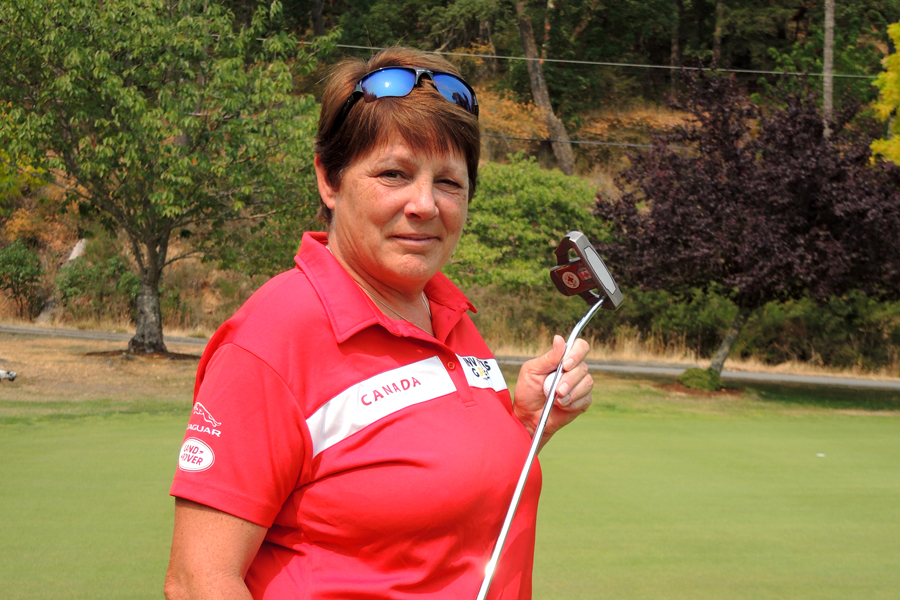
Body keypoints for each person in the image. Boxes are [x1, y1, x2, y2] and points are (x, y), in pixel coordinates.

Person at [164, 47, 593, 600]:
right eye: (394, 173)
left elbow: (437, 495)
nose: (424, 204)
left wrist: (526, 425)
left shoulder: (449, 316)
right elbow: (198, 581)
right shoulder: (273, 339)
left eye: (449, 182)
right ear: (329, 180)